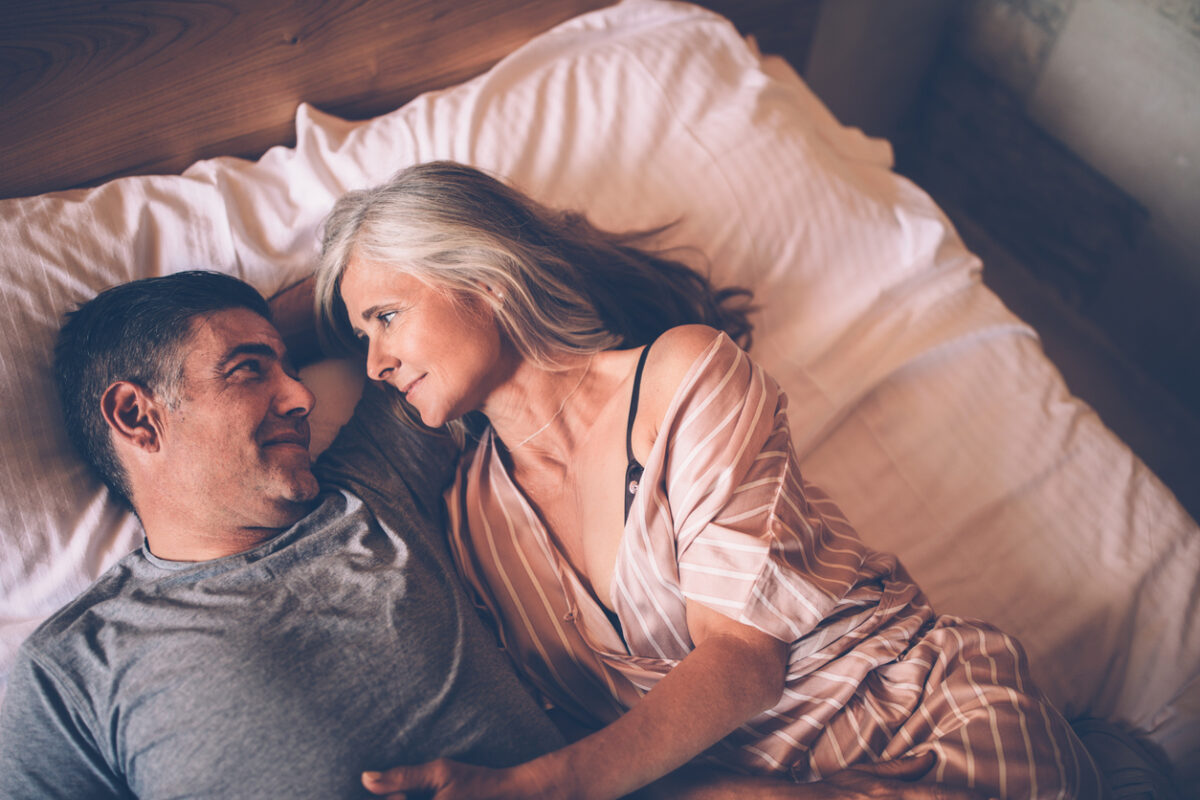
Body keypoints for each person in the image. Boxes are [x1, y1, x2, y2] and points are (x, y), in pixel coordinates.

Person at [311, 160, 1107, 800]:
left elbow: (743, 658)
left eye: (386, 317)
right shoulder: (471, 519)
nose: (374, 364)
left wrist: (551, 787)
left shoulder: (682, 378)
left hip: (915, 727)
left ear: (484, 278)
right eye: (359, 336)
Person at [0, 271, 567, 798]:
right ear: (137, 416)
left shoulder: (372, 484)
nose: (303, 397)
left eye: (291, 370)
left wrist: (259, 331)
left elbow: (427, 281)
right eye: (248, 369)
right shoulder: (72, 668)